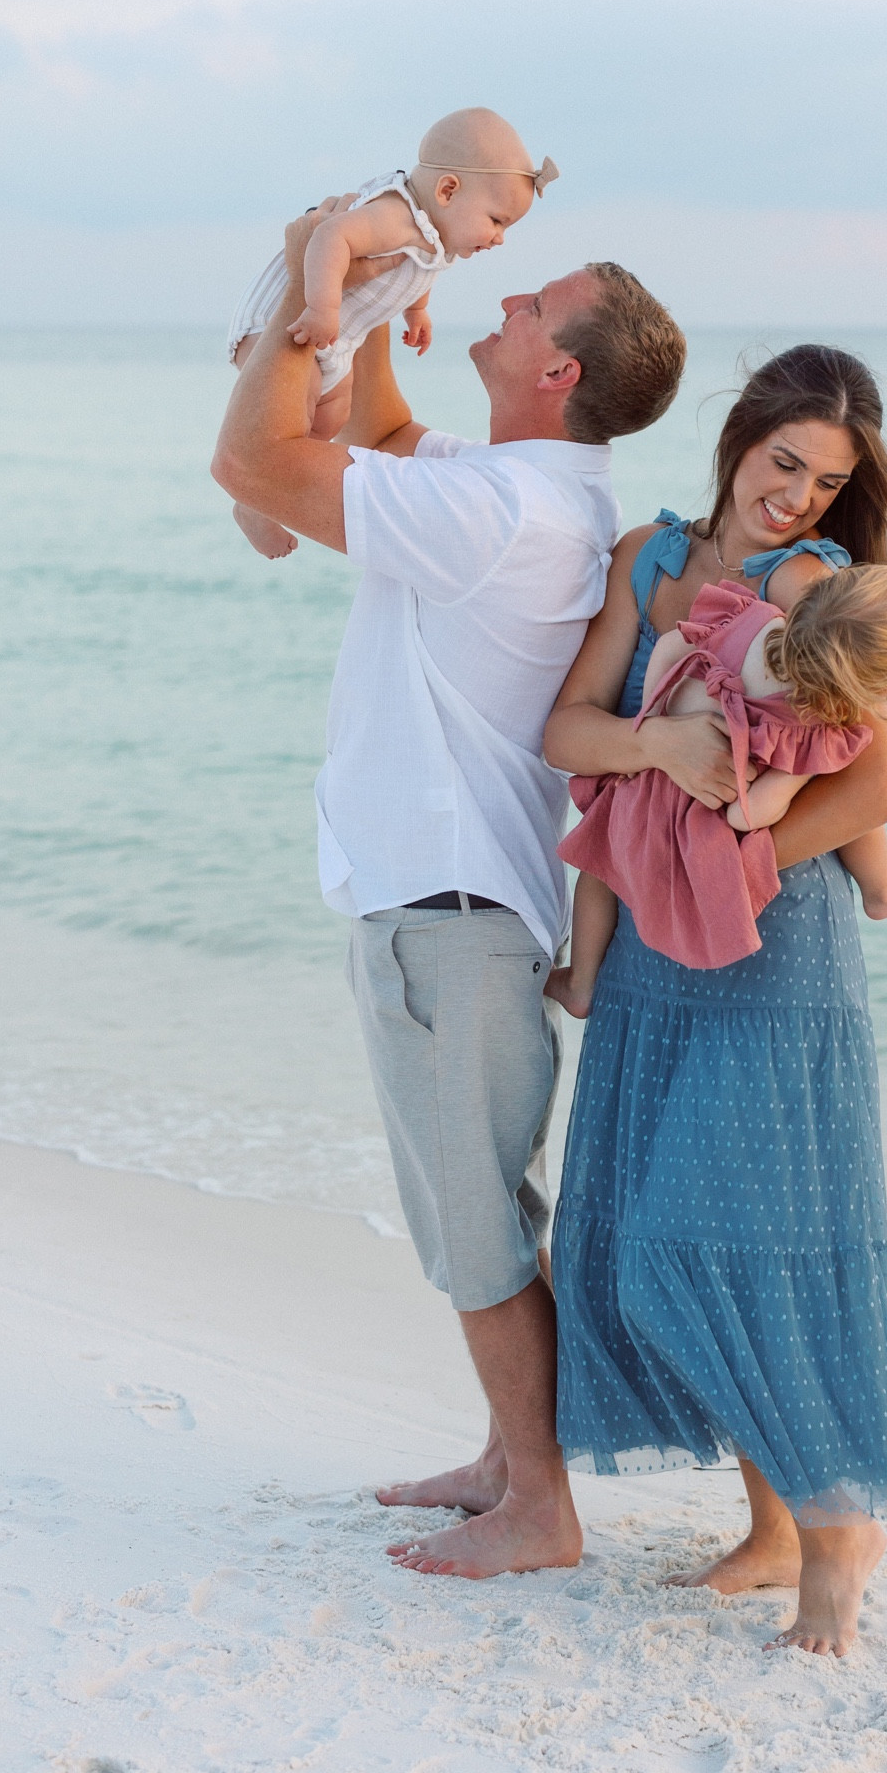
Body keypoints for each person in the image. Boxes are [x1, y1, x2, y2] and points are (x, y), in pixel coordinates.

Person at [212, 208, 685, 1580]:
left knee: (471, 1224)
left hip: (450, 911)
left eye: (535, 303)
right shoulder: (527, 490)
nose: (510, 298)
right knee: (478, 1207)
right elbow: (393, 443)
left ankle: (539, 1504)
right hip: (457, 906)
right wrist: (377, 304)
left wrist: (310, 312)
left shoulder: (500, 512)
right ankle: (506, 1457)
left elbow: (255, 458)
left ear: (559, 373)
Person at [542, 344, 887, 1657]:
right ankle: (771, 1531)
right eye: (784, 464)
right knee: (672, 1233)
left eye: (825, 482)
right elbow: (569, 734)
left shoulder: (812, 589)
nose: (796, 498)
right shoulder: (650, 562)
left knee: (730, 1236)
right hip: (658, 942)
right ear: (739, 437)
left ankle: (837, 1533)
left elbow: (875, 791)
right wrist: (656, 749)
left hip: (773, 953)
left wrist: (741, 857)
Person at [547, 562, 887, 1011]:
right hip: (686, 824)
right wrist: (809, 771)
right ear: (878, 683)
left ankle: (581, 983)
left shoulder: (752, 619)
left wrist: (653, 723)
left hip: (640, 789)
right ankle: (884, 887)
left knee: (600, 868)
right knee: (851, 783)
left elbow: (670, 644)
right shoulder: (809, 727)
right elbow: (745, 815)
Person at [226, 107, 556, 560]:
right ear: (447, 189)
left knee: (333, 417)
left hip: (338, 338)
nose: (499, 238)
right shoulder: (395, 215)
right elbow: (327, 239)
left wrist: (416, 310)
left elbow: (422, 271)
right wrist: (319, 305)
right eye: (497, 221)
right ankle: (254, 502)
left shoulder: (439, 234)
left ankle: (268, 492)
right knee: (290, 421)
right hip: (287, 319)